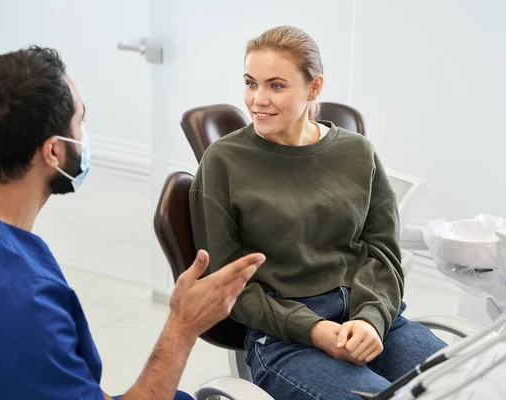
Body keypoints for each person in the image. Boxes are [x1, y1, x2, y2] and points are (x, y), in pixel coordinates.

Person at [0, 46, 266, 400]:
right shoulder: (15, 302)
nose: (84, 136)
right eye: (80, 122)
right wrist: (183, 324)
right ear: (53, 151)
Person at [189, 26, 448, 399]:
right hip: (285, 337)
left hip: (374, 320)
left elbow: (384, 255)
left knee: (466, 385)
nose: (258, 99)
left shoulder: (358, 153)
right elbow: (227, 283)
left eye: (276, 85)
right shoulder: (223, 162)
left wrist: (372, 320)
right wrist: (312, 329)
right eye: (250, 83)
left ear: (314, 87)